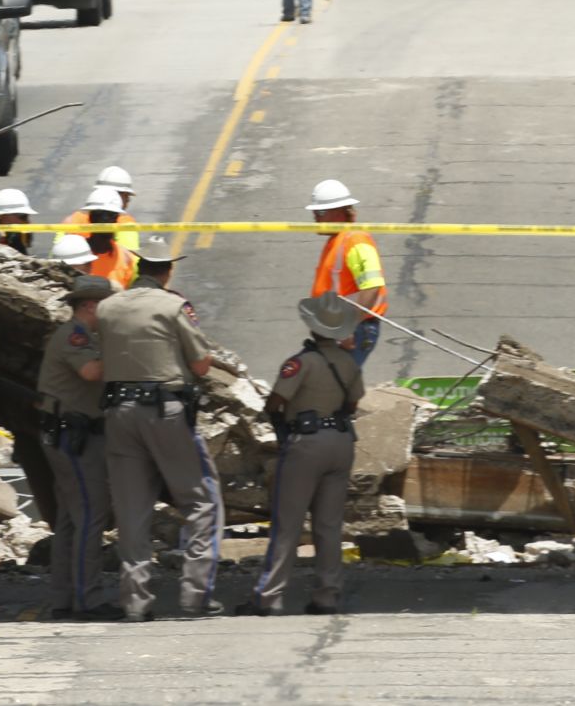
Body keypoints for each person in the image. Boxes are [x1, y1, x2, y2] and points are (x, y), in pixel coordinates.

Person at [97, 241, 225, 621]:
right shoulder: (173, 306)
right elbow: (201, 364)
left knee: (132, 511)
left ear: (139, 268)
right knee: (201, 502)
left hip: (119, 413)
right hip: (164, 413)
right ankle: (195, 597)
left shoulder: (107, 307)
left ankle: (136, 603)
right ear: (167, 269)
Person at [239, 291, 367, 617]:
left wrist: (286, 423)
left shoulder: (301, 362)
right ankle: (328, 595)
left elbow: (275, 402)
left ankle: (269, 596)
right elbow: (353, 404)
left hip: (307, 444)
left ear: (313, 328)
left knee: (288, 523)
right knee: (329, 524)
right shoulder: (349, 363)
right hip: (340, 442)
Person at [36, 275, 119, 621]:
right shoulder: (75, 336)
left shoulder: (88, 336)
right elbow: (90, 371)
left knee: (71, 518)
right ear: (90, 305)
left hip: (69, 434)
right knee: (90, 515)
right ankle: (88, 598)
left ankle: (63, 597)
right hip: (74, 437)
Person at [305, 179, 387, 367]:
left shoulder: (355, 239)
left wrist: (349, 327)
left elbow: (372, 286)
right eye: (315, 212)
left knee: (333, 388)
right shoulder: (338, 241)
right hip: (336, 330)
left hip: (355, 330)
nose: (315, 217)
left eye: (321, 212)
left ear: (341, 212)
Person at [66, 185, 138, 287]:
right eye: (100, 215)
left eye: (111, 215)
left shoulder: (127, 259)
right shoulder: (74, 256)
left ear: (117, 218)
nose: (105, 220)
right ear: (91, 218)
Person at [0, 187, 39, 254]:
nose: (26, 221)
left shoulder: (24, 229)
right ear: (1, 216)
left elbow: (27, 245)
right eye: (22, 215)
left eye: (26, 216)